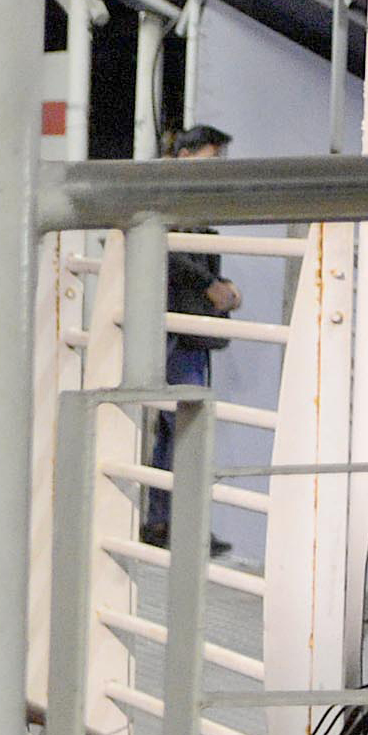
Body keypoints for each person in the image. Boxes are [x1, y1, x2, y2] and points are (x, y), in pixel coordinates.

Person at [143, 121, 238, 546]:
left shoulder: (177, 196)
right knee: (186, 423)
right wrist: (212, 286)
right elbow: (170, 253)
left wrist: (221, 287)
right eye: (212, 157)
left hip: (183, 327)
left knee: (176, 427)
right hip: (178, 327)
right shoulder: (172, 197)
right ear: (186, 156)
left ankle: (166, 520)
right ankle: (178, 522)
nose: (218, 166)